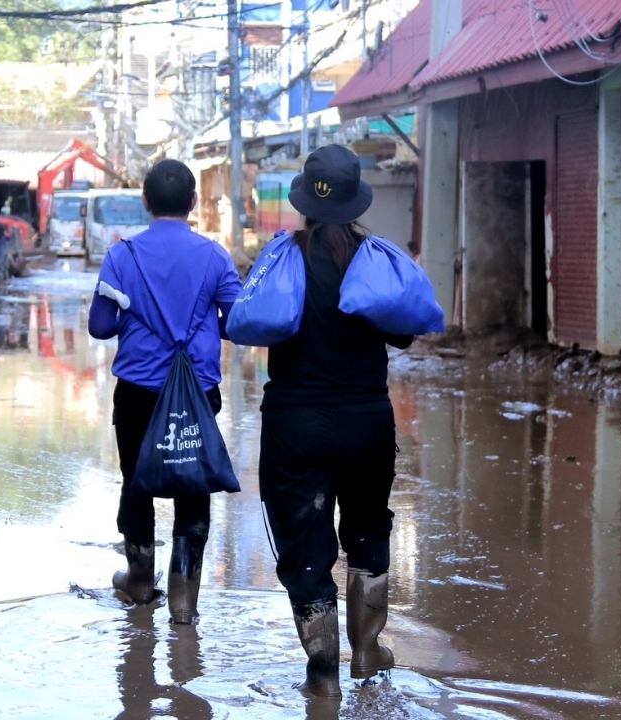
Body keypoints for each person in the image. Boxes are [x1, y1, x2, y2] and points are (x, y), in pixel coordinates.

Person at [258, 144, 413, 698]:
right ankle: (368, 650)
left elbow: (256, 321)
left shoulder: (282, 256)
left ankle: (321, 668)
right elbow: (405, 330)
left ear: (303, 201)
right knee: (369, 526)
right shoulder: (374, 258)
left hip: (294, 422)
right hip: (365, 420)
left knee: (305, 541)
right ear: (354, 201)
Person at [88, 159, 241, 625]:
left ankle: (138, 580)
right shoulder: (214, 257)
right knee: (192, 488)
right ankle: (183, 601)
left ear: (145, 202)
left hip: (136, 392)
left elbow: (99, 326)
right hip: (197, 393)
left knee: (137, 484)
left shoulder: (122, 256)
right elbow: (237, 322)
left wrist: (132, 321)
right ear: (193, 203)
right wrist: (202, 328)